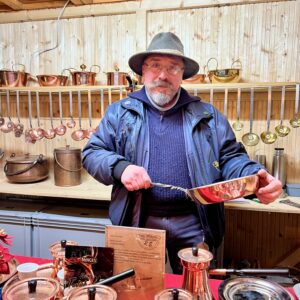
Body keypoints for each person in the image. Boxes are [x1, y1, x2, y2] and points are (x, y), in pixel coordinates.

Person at [82, 32, 282, 274]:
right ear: (142, 72)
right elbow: (93, 152)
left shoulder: (208, 115)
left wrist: (254, 178)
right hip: (139, 219)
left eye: (173, 68)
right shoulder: (119, 113)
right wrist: (121, 168)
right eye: (155, 66)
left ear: (182, 75)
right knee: (134, 286)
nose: (163, 75)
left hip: (195, 221)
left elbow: (231, 157)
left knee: (196, 288)